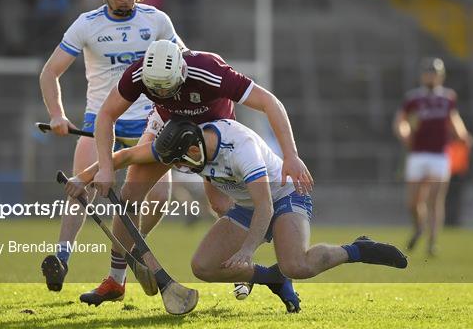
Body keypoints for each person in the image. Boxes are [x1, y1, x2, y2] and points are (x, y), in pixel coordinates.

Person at [65, 118, 408, 313]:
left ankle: (358, 250)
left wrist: (246, 252)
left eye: (182, 163)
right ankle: (272, 279)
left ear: (195, 150)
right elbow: (126, 156)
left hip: (284, 196)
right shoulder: (182, 144)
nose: (180, 169)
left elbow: (266, 208)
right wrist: (85, 176)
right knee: (203, 267)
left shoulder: (240, 150)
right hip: (247, 206)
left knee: (296, 264)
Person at [83, 39, 314, 306]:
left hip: (211, 134)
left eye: (169, 90)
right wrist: (104, 166)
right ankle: (115, 279)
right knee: (130, 193)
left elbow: (269, 103)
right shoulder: (138, 74)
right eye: (157, 92)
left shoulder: (208, 70)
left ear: (181, 73)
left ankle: (257, 271)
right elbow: (106, 115)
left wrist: (291, 155)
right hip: (167, 129)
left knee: (220, 204)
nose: (165, 96)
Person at [39, 0, 185, 292]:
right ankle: (61, 258)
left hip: (149, 123)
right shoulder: (86, 24)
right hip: (99, 121)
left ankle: (129, 250)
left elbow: (183, 59)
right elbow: (50, 73)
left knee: (160, 195)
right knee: (81, 189)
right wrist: (57, 114)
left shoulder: (157, 20)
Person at [393, 57, 473, 256]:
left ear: (440, 76)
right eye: (428, 72)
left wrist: (462, 135)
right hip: (418, 154)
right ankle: (419, 227)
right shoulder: (413, 98)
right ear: (423, 75)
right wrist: (403, 133)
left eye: (434, 72)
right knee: (413, 202)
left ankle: (432, 242)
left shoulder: (447, 98)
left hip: (439, 155)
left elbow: (453, 119)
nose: (431, 76)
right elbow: (400, 120)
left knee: (435, 199)